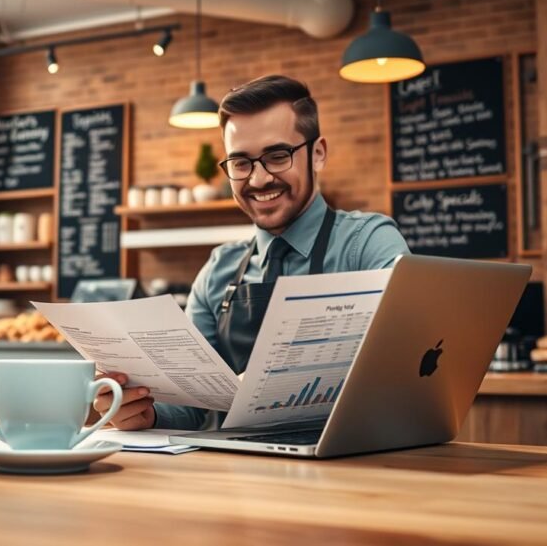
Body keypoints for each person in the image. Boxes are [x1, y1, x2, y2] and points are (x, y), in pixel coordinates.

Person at [94, 75, 411, 431]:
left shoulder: (366, 244)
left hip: (351, 473)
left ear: (318, 153)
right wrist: (143, 412)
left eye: (277, 156)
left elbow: (406, 357)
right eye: (241, 163)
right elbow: (190, 405)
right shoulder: (218, 270)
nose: (259, 180)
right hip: (238, 478)